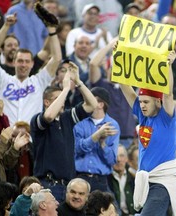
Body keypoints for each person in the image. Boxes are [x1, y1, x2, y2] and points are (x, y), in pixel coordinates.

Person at [118, 49, 176, 215]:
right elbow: (125, 87)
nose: (142, 105)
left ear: (157, 101)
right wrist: (118, 56)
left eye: (146, 102)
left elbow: (168, 94)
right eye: (141, 102)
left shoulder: (167, 117)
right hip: (147, 182)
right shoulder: (142, 114)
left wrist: (168, 66)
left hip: (163, 181)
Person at [30, 61, 97, 203]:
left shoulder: (66, 117)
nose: (62, 102)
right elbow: (48, 116)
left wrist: (78, 81)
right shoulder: (38, 120)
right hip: (48, 185)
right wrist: (66, 88)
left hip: (68, 186)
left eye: (63, 99)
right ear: (47, 102)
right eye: (57, 99)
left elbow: (92, 104)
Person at [0, 15, 61, 126]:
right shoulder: (3, 79)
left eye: (27, 61)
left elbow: (57, 59)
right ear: (14, 62)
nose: (23, 65)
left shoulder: (39, 81)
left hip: (31, 138)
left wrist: (52, 30)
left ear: (32, 64)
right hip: (4, 137)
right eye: (20, 61)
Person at [89, 39, 136, 149]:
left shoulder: (129, 86)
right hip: (107, 136)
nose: (117, 71)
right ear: (107, 69)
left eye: (120, 68)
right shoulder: (100, 85)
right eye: (114, 68)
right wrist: (110, 45)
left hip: (128, 138)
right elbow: (93, 64)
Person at [74, 87, 120, 192]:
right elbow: (77, 149)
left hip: (101, 180)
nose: (85, 102)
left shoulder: (113, 125)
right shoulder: (79, 122)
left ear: (100, 104)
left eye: (90, 99)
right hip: (79, 178)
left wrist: (102, 144)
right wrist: (96, 136)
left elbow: (112, 160)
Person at [108, 144, 136, 215]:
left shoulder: (134, 177)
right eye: (115, 156)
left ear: (126, 158)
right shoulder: (106, 180)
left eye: (121, 156)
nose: (118, 160)